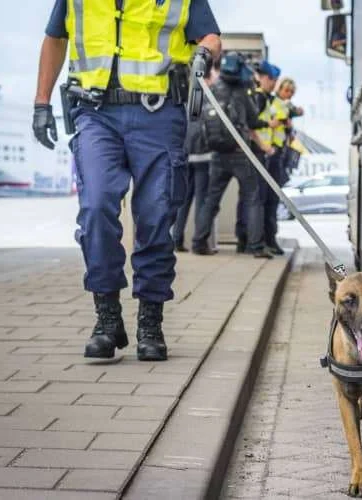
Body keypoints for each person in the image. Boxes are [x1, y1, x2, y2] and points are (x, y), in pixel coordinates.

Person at [32, 0, 221, 362]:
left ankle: (150, 322)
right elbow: (55, 38)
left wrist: (203, 53)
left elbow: (211, 36)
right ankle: (107, 319)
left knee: (155, 217)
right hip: (95, 114)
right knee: (96, 208)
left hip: (159, 114)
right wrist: (41, 103)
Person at [191, 52, 274, 259]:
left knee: (211, 200)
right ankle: (256, 246)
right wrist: (265, 124)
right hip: (239, 153)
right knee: (253, 198)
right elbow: (253, 121)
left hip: (218, 154)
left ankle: (198, 241)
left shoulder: (213, 89)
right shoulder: (241, 92)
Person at [172, 63, 218, 253]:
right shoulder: (205, 95)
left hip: (186, 153)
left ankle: (176, 238)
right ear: (208, 75)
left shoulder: (187, 92)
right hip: (202, 154)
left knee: (184, 199)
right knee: (202, 199)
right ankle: (200, 242)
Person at [244, 61, 286, 255]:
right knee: (261, 200)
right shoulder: (258, 98)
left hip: (266, 155)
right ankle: (259, 241)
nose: (273, 82)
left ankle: (265, 240)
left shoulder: (265, 98)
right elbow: (251, 125)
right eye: (271, 79)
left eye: (274, 79)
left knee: (266, 200)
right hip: (261, 154)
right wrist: (265, 147)